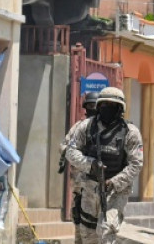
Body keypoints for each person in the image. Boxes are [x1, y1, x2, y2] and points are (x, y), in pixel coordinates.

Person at [64, 87, 143, 243]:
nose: (107, 109)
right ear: (99, 107)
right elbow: (70, 151)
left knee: (106, 230)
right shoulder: (86, 127)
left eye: (112, 105)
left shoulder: (130, 132)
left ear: (120, 108)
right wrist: (90, 164)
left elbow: (136, 163)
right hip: (89, 187)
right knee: (87, 233)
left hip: (116, 192)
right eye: (104, 105)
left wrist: (114, 182)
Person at [59, 91, 98, 242]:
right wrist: (82, 157)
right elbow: (64, 148)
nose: (92, 108)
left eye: (94, 105)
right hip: (81, 184)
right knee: (80, 221)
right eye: (90, 105)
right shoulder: (80, 127)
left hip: (99, 185)